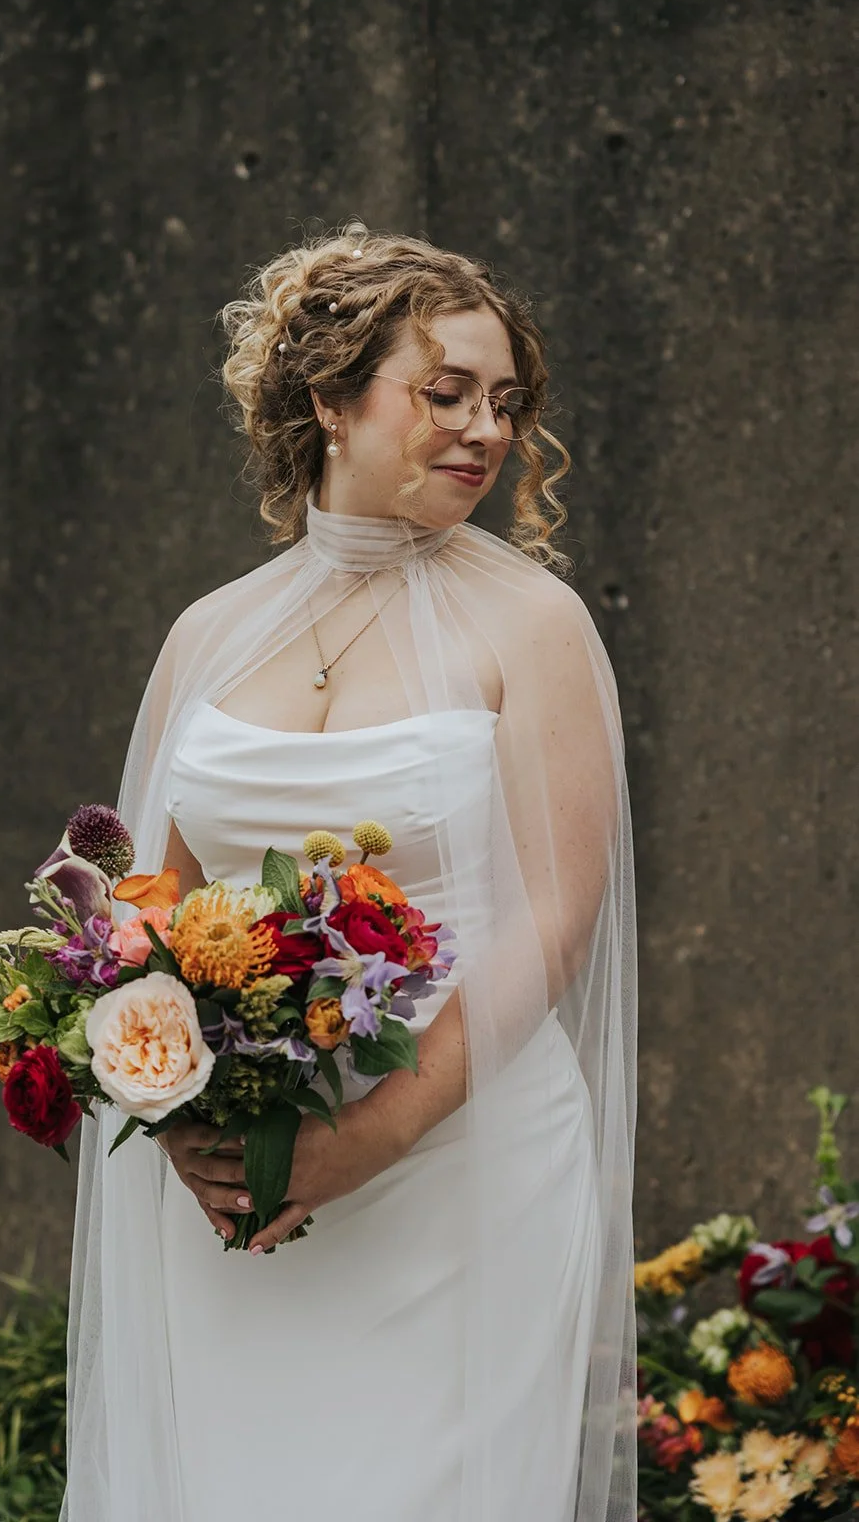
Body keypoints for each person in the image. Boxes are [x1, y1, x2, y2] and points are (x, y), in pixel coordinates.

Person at [61, 223, 638, 1522]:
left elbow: (552, 921)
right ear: (328, 398)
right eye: (443, 394)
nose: (482, 430)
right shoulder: (207, 635)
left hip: (463, 1163)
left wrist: (360, 1140)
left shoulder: (531, 625)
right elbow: (141, 923)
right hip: (244, 1183)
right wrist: (191, 1137)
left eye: (504, 402)